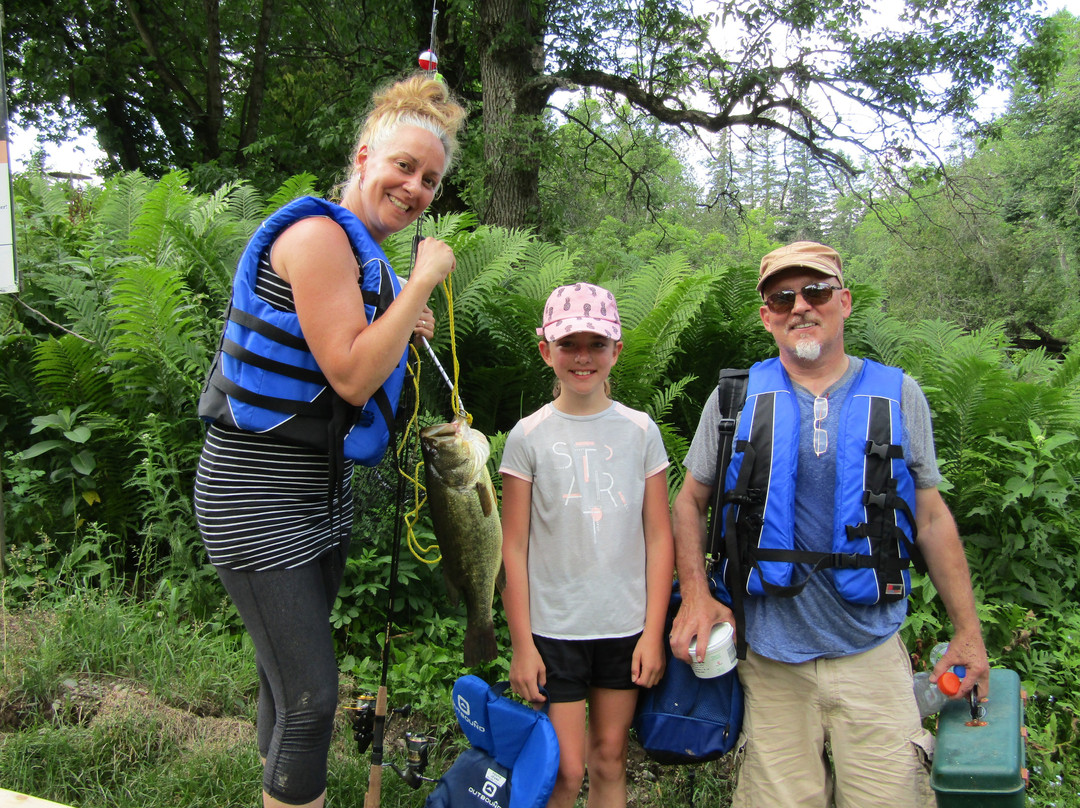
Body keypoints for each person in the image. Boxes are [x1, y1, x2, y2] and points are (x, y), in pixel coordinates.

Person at [193, 73, 465, 808]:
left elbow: (349, 347)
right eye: (403, 167)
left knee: (285, 692)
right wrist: (420, 284)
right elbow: (349, 376)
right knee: (312, 701)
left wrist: (400, 314)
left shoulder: (365, 257)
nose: (414, 188)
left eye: (430, 180)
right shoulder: (316, 237)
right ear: (365, 155)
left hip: (318, 492)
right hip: (255, 491)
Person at [669, 241, 990, 808]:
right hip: (770, 662)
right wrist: (695, 594)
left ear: (843, 301)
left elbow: (933, 518)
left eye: (815, 291)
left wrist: (968, 631)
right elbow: (688, 503)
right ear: (766, 315)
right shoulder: (733, 399)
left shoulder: (899, 394)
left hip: (871, 654)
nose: (800, 306)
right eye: (782, 296)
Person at [500, 283, 674, 808]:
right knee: (563, 769)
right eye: (568, 344)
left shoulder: (640, 431)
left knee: (609, 758)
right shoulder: (527, 437)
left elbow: (659, 536)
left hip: (625, 627)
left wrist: (653, 632)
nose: (582, 357)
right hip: (553, 630)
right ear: (545, 351)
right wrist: (522, 643)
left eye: (596, 344)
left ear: (616, 350)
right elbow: (512, 548)